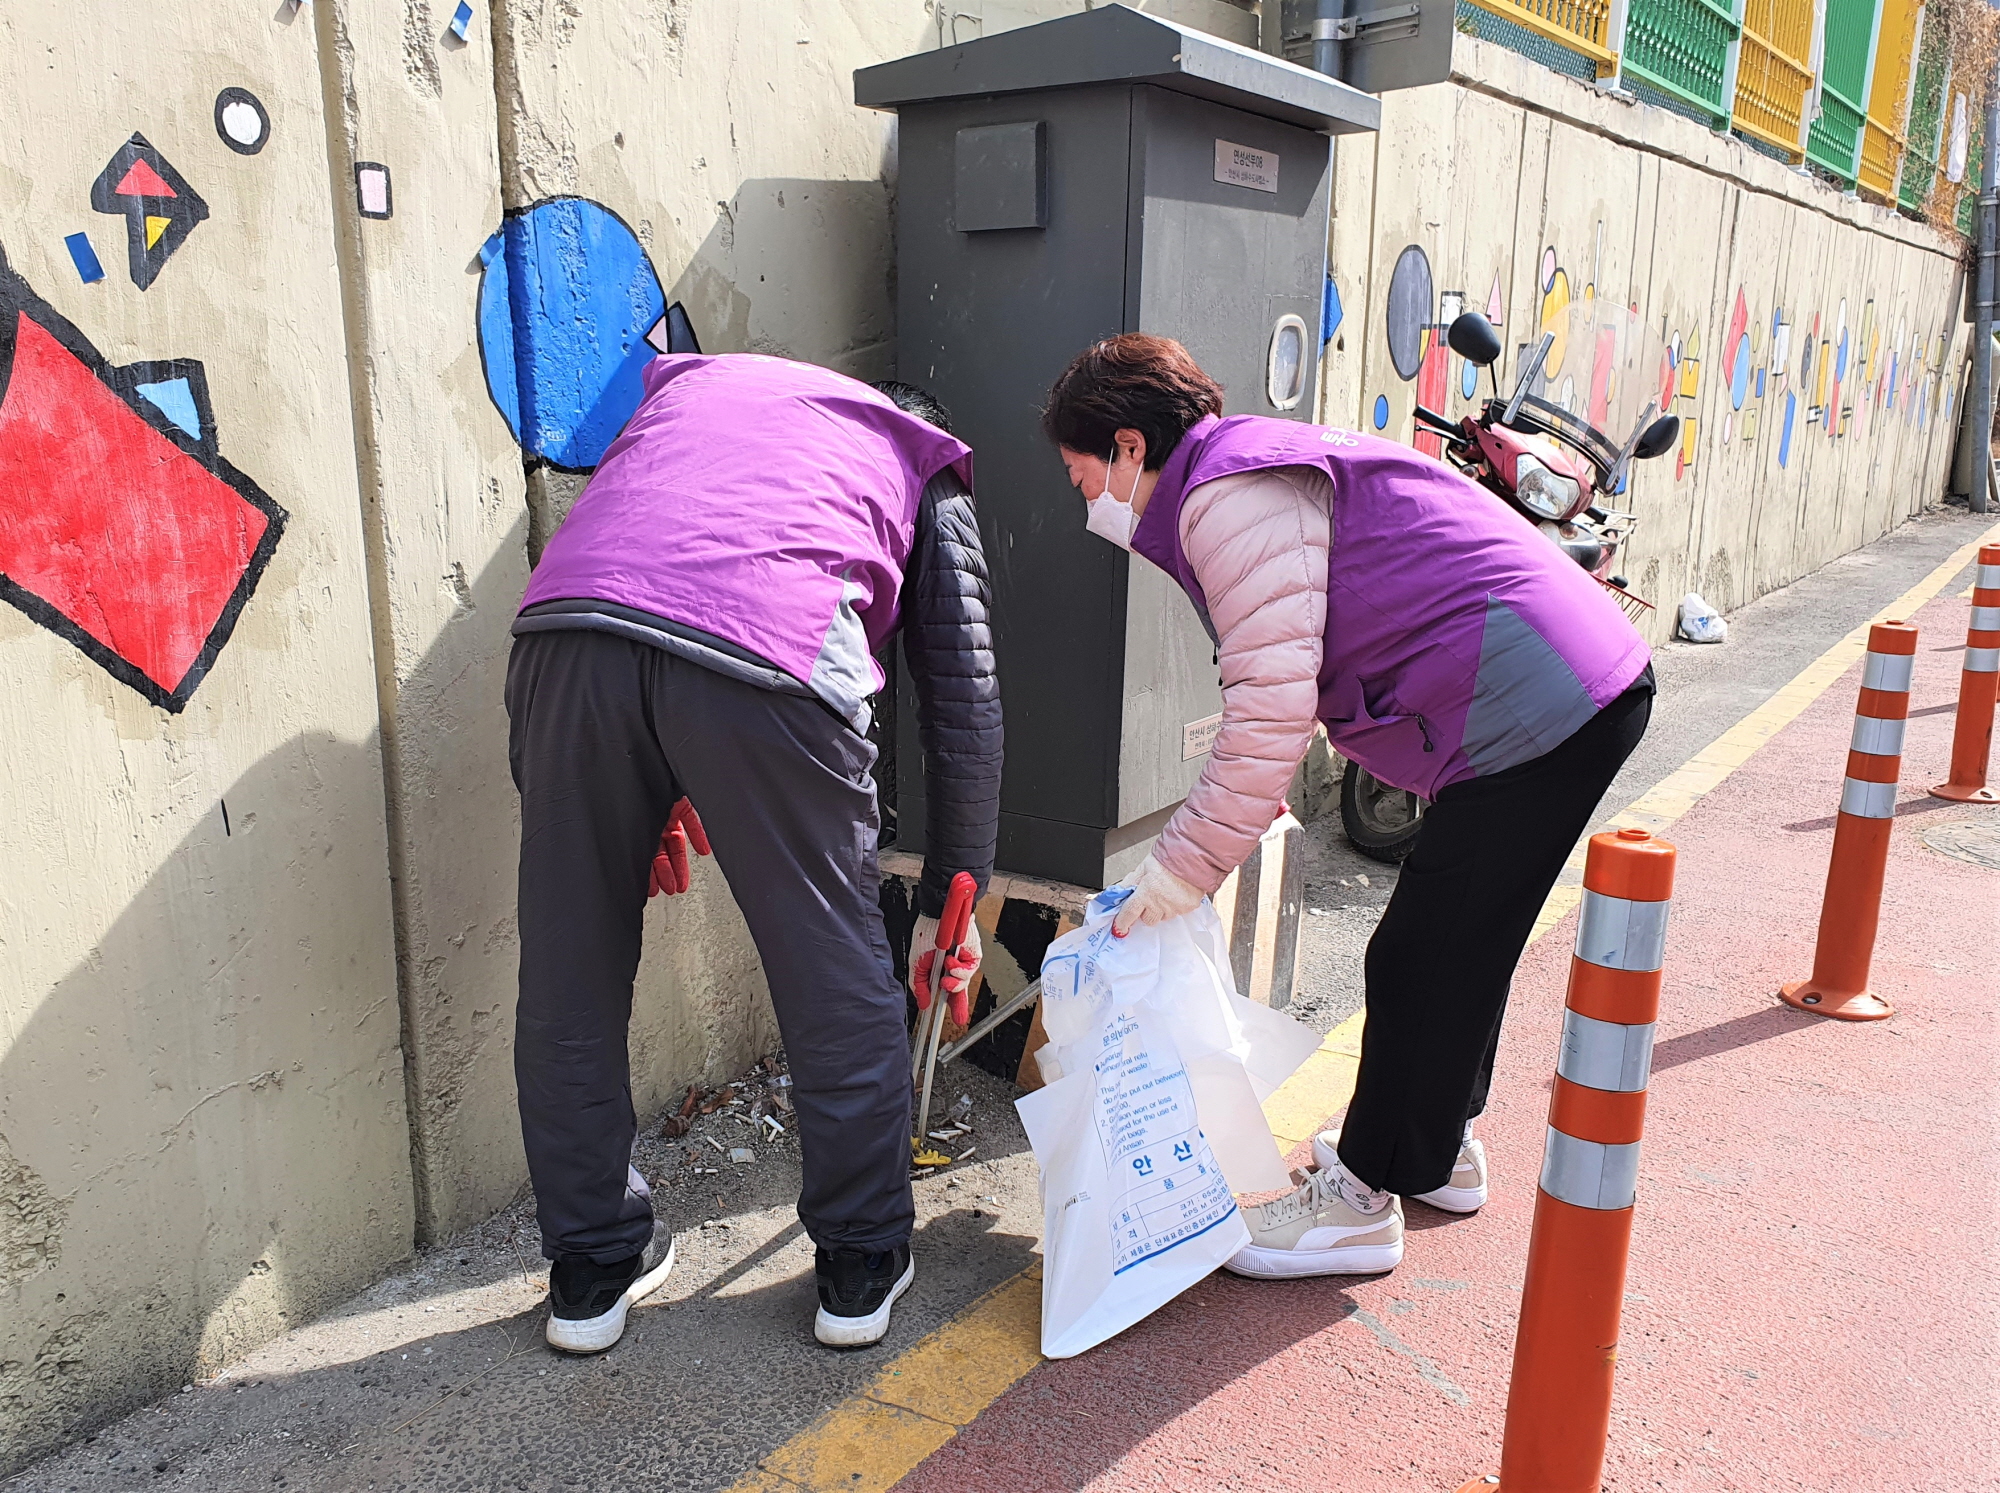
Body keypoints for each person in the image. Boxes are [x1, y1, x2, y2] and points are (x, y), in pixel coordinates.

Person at [1042, 334, 1652, 1279]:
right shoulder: (1242, 464)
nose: (1089, 503)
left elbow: (1268, 714)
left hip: (1539, 700)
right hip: (1561, 685)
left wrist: (1177, 874)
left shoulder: (1222, 496)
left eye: (1084, 477)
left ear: (1128, 448)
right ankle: (1436, 1147)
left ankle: (1364, 1198)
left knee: (1421, 951)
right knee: (1462, 935)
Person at [506, 354, 1001, 1351]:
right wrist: (958, 902)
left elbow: (658, 573)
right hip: (766, 655)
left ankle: (589, 1270)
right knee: (834, 970)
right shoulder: (919, 459)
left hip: (562, 642)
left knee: (570, 968)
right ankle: (859, 1262)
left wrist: (652, 783)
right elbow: (963, 701)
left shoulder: (704, 396)